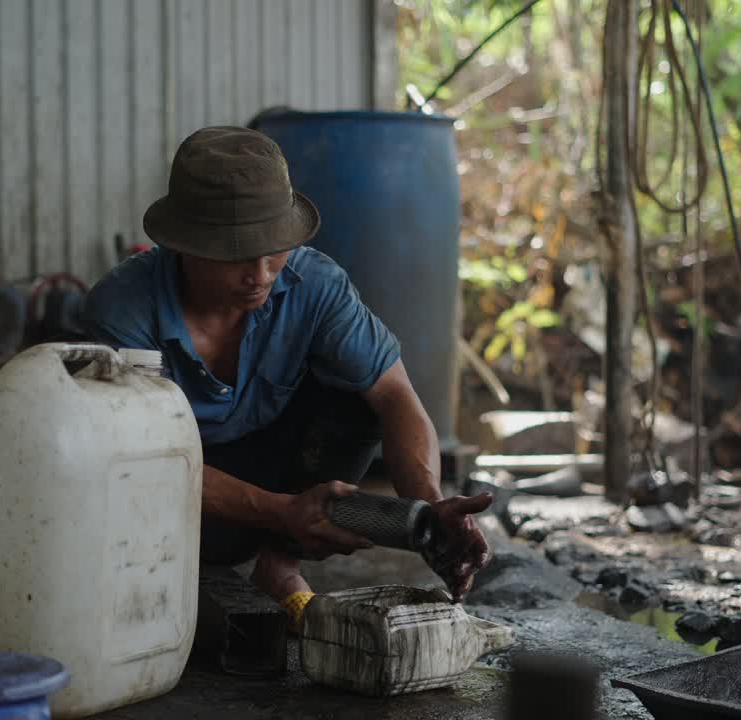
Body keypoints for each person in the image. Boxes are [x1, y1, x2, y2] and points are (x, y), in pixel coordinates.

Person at [83, 126, 491, 623]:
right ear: (185, 244)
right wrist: (280, 511)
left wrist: (429, 507)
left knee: (356, 398)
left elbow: (395, 396)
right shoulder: (122, 311)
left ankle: (278, 568)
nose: (260, 272)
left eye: (274, 246)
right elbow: (133, 461)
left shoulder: (314, 284)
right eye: (236, 253)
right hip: (165, 498)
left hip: (269, 475)